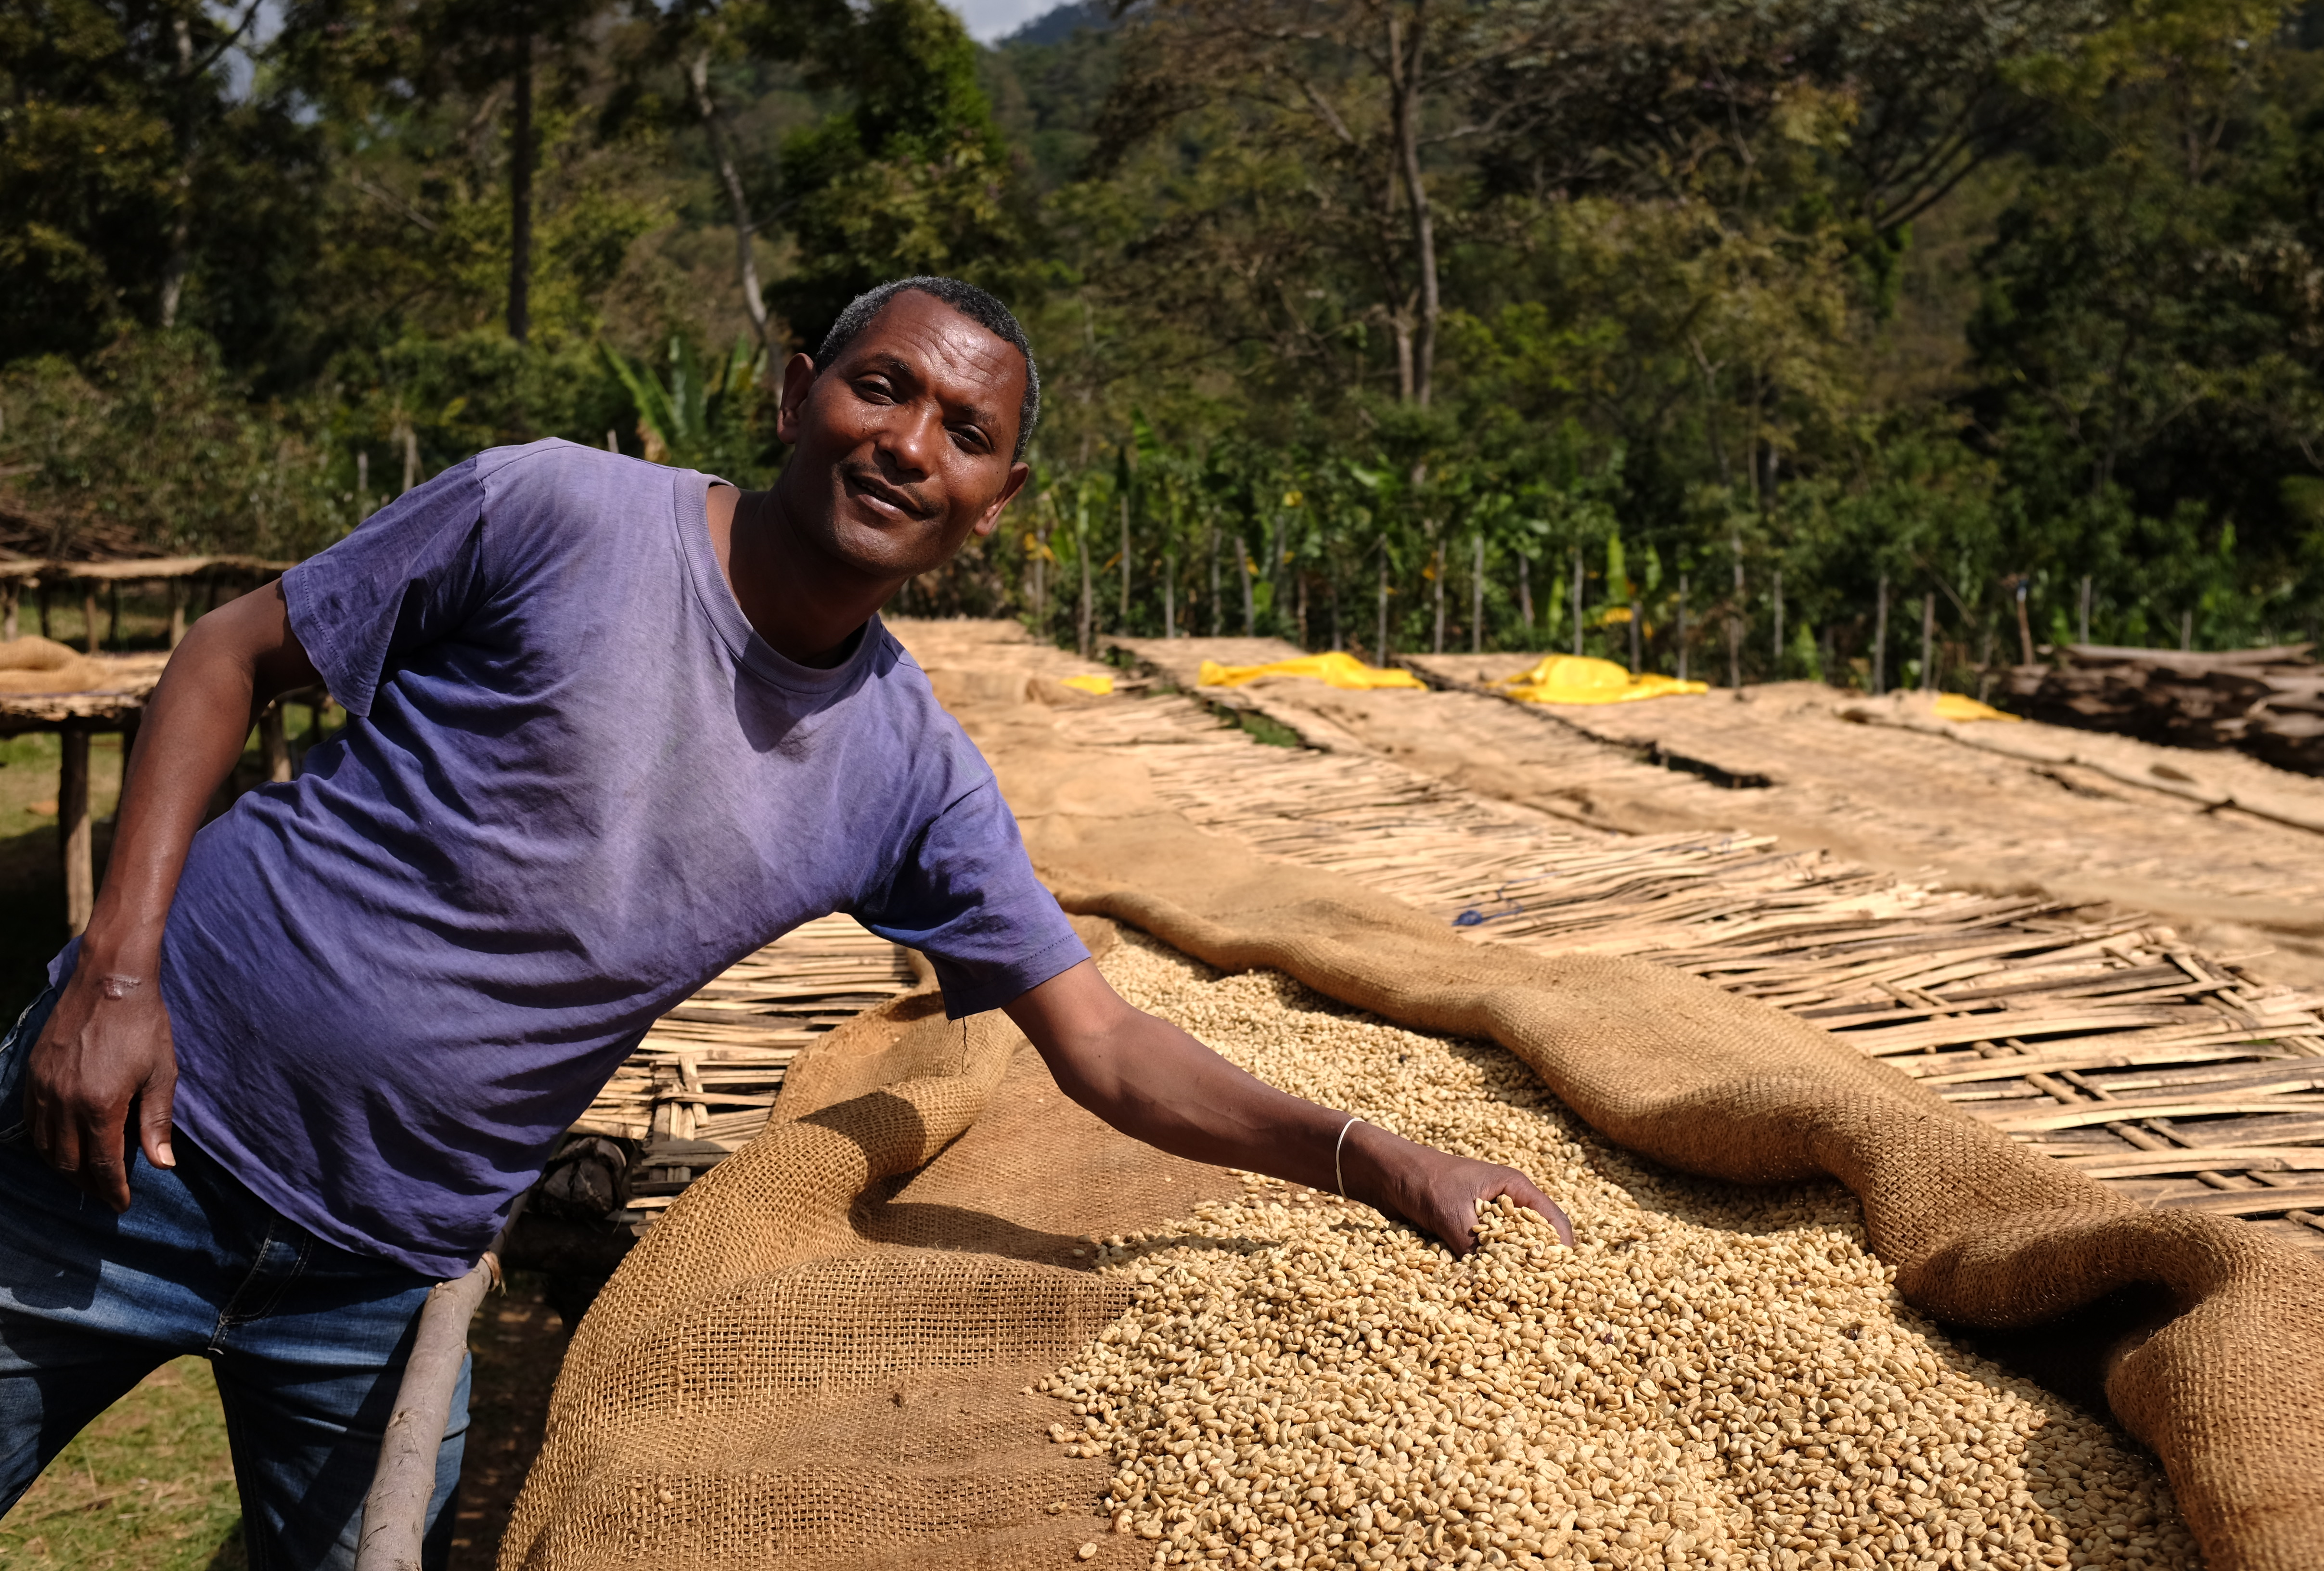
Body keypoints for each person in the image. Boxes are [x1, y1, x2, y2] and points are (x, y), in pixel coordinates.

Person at [0, 277, 1570, 1568]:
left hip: (381, 1272)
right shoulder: (555, 509)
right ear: (796, 388)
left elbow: (1103, 1049)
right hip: (116, 1143)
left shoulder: (906, 772)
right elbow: (222, 659)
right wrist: (117, 977)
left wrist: (1378, 1159)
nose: (909, 446)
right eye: (881, 390)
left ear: (1001, 498)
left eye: (966, 433)